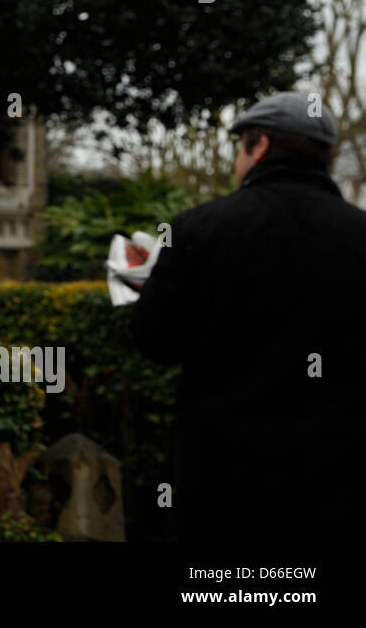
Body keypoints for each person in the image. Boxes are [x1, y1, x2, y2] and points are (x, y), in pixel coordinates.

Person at [132, 92, 364, 543]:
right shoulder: (359, 235)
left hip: (223, 475)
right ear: (328, 157)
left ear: (257, 148)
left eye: (240, 147)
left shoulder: (199, 228)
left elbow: (156, 341)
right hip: (338, 477)